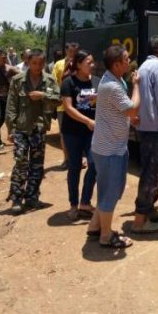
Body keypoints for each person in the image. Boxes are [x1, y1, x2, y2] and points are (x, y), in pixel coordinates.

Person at [86, 45, 140, 248]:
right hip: (109, 150)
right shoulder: (113, 86)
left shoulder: (114, 80)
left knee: (110, 190)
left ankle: (95, 226)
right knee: (110, 193)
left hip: (111, 146)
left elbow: (120, 111)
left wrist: (129, 120)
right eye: (126, 59)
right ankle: (106, 236)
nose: (129, 61)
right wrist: (137, 86)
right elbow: (132, 108)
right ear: (116, 64)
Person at [5, 49, 61, 213]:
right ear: (28, 62)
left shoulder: (50, 81)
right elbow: (11, 106)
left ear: (44, 63)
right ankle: (16, 198)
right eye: (34, 63)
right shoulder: (18, 80)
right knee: (20, 162)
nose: (37, 67)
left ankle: (32, 197)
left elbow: (58, 100)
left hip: (39, 129)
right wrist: (10, 129)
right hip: (21, 129)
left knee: (37, 166)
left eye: (40, 63)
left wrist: (43, 95)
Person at [131, 35, 158, 234]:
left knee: (152, 170)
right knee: (153, 174)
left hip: (144, 129)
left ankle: (147, 209)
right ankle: (140, 220)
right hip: (155, 129)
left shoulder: (143, 67)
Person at [60, 50, 99, 220]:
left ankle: (85, 201)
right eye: (89, 63)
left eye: (92, 62)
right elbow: (69, 108)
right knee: (74, 168)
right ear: (78, 65)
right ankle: (73, 205)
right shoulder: (68, 83)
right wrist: (87, 121)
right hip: (73, 132)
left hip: (92, 133)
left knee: (94, 164)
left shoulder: (96, 82)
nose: (92, 65)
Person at [53, 42, 80, 169]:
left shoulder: (80, 64)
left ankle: (77, 159)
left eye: (75, 52)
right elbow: (53, 83)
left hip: (78, 105)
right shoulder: (58, 65)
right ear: (66, 51)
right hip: (63, 106)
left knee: (78, 133)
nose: (72, 55)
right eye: (70, 52)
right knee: (64, 134)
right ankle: (66, 159)